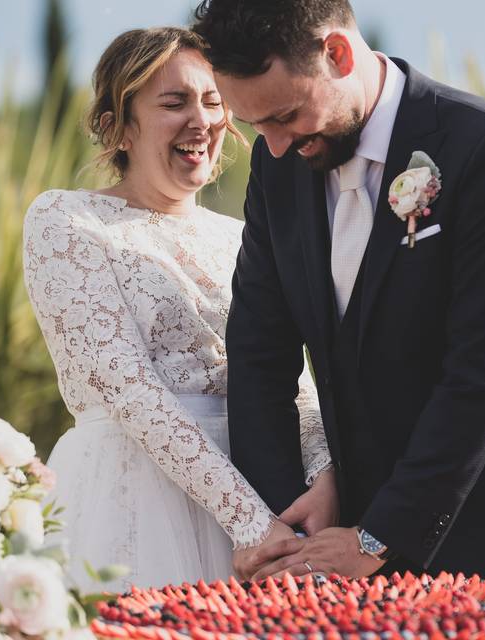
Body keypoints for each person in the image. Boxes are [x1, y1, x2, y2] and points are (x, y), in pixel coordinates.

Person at [192, 0, 485, 582]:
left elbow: (484, 367)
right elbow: (260, 349)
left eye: (285, 115)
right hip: (357, 534)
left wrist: (381, 534)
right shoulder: (276, 163)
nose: (276, 144)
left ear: (336, 54)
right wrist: (283, 517)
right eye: (255, 124)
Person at [22, 27, 334, 592]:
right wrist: (249, 523)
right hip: (133, 494)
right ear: (117, 125)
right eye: (174, 102)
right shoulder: (66, 221)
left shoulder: (243, 236)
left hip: (261, 489)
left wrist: (323, 478)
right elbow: (131, 391)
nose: (203, 120)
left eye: (213, 101)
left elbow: (292, 379)